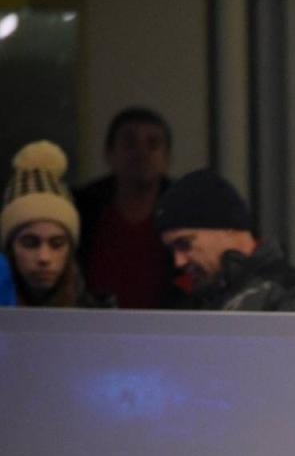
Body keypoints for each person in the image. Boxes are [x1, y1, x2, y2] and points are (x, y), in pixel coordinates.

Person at [154, 169, 295, 312]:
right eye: (172, 250)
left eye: (184, 243)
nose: (178, 261)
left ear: (227, 228)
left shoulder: (291, 293)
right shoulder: (191, 298)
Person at [75, 106, 177, 308]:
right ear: (109, 154)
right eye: (130, 143)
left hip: (167, 332)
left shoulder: (186, 212)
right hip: (91, 329)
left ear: (167, 158)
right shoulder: (82, 210)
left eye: (153, 144)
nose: (142, 153)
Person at [3, 141, 111, 308]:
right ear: (9, 248)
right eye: (30, 243)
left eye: (57, 244)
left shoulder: (99, 317)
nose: (44, 257)